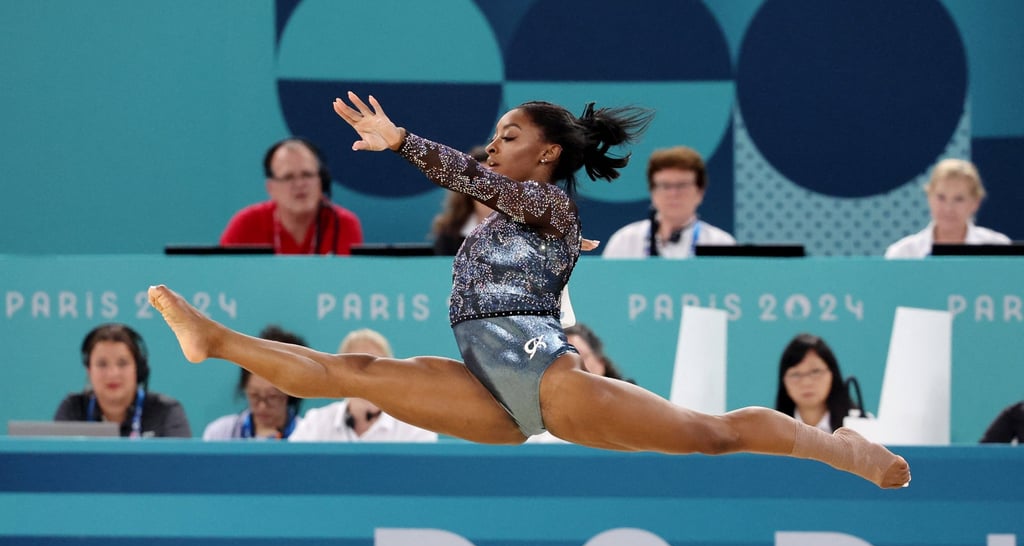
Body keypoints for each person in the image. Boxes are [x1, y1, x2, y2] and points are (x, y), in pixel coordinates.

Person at [147, 90, 909, 490]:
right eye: (495, 135)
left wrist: (402, 142)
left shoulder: (549, 202)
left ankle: (837, 447)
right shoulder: (526, 217)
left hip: (544, 373)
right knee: (358, 373)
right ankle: (214, 342)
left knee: (711, 435)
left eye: (509, 135)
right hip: (489, 386)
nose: (493, 146)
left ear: (546, 153)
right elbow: (489, 198)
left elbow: (474, 179)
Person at [219, 137, 364, 255]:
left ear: (322, 181)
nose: (300, 184)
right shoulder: (245, 225)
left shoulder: (343, 223)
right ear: (271, 188)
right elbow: (224, 279)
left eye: (307, 175)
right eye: (288, 177)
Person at [290, 328, 438, 442]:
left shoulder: (414, 427)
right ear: (340, 374)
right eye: (358, 367)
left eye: (377, 366)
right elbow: (292, 468)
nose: (367, 376)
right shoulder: (316, 422)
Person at [54, 322, 191, 438]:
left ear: (137, 369)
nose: (113, 374)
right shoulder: (73, 410)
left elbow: (183, 466)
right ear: (89, 370)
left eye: (122, 363)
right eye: (102, 364)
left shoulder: (165, 412)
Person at [603, 146, 737, 258]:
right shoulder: (625, 241)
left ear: (700, 192)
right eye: (665, 186)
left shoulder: (721, 243)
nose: (673, 193)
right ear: (652, 191)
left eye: (682, 185)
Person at [885, 158, 1011, 258]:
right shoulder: (903, 254)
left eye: (959, 199)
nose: (948, 208)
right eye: (941, 198)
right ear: (929, 197)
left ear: (975, 203)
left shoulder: (999, 248)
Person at [202, 325, 309, 440]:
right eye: (254, 395)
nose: (262, 406)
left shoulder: (309, 434)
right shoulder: (221, 433)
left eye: (272, 397)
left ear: (290, 395)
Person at [775, 334, 853, 433]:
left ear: (832, 374)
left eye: (815, 371)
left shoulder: (859, 425)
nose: (806, 382)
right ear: (784, 380)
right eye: (795, 374)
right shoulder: (772, 430)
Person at [429, 145, 492, 255]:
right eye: (480, 178)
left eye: (494, 177)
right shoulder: (449, 233)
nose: (486, 184)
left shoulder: (525, 227)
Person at [563, 323, 633, 383]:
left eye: (578, 357)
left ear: (600, 363)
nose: (571, 367)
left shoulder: (631, 397)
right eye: (563, 363)